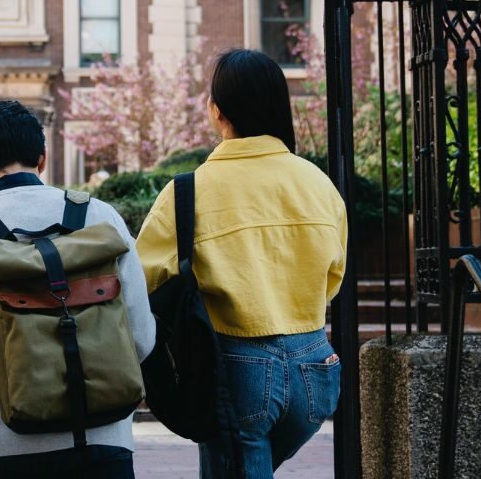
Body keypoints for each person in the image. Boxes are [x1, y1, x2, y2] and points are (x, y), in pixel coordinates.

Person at [135, 49, 347, 479]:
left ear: (216, 111)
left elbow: (139, 281)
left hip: (238, 368)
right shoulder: (317, 183)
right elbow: (333, 275)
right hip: (316, 365)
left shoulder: (188, 192)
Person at [0, 99, 156, 479]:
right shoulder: (102, 217)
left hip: (8, 447)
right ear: (43, 158)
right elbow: (142, 340)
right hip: (107, 439)